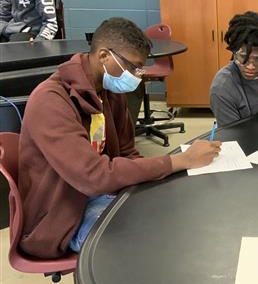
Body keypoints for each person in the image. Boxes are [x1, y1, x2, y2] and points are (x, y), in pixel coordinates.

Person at [18, 17, 222, 259]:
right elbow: (94, 176)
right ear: (104, 56)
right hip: (61, 215)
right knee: (152, 247)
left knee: (173, 215)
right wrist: (180, 161)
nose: (138, 75)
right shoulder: (51, 101)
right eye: (133, 66)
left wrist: (157, 187)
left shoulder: (109, 91)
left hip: (98, 192)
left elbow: (127, 152)